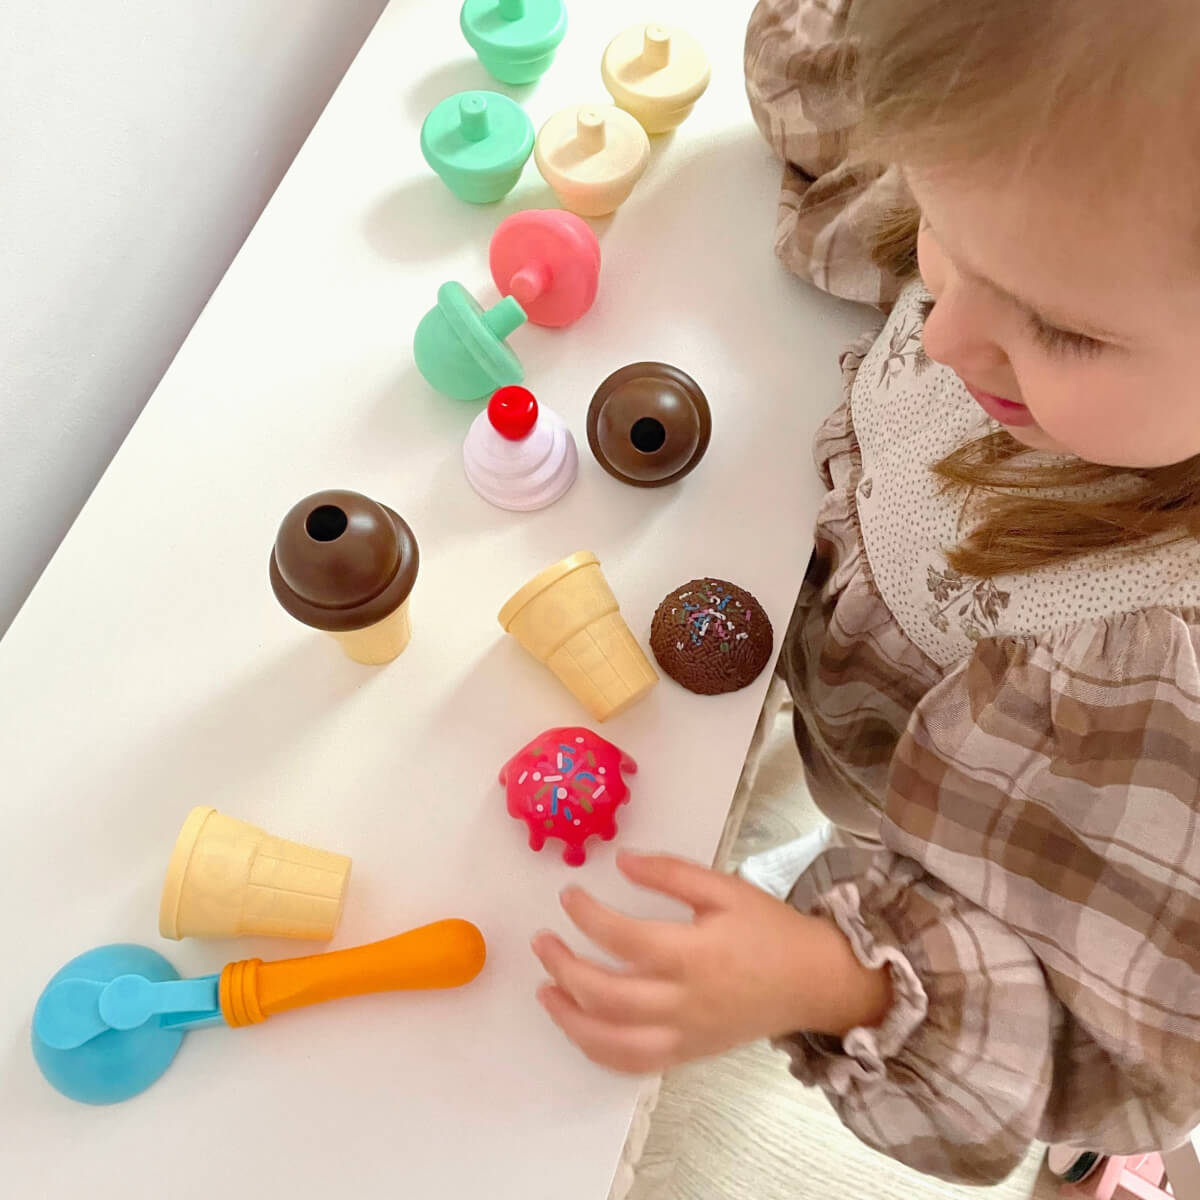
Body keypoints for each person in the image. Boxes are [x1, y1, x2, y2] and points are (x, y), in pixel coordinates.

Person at [529, 0, 1200, 1184]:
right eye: (943, 233)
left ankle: (1094, 1155)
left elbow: (1092, 1021)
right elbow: (841, 100)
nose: (942, 336)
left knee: (1090, 1055)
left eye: (1060, 332)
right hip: (874, 735)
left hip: (1059, 893)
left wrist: (836, 982)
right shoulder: (1041, 211)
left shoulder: (1162, 675)